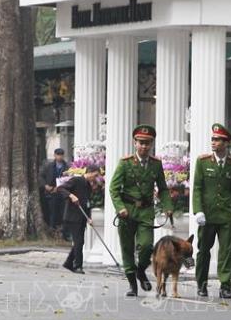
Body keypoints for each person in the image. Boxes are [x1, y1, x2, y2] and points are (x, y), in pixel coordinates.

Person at [109, 125, 173, 297]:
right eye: (141, 143)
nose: (144, 146)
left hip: (146, 211)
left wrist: (168, 206)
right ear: (135, 143)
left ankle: (141, 270)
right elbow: (113, 189)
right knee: (127, 248)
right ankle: (132, 285)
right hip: (127, 210)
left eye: (147, 143)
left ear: (152, 144)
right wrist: (120, 207)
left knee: (146, 246)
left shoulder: (156, 164)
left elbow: (163, 189)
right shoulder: (125, 163)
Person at [193, 123, 231, 299]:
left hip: (226, 214)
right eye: (213, 139)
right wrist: (198, 211)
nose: (214, 142)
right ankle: (202, 284)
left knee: (226, 251)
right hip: (207, 214)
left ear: (226, 143)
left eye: (218, 140)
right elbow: (197, 188)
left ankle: (225, 286)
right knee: (203, 250)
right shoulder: (203, 161)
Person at [57, 164, 101, 274]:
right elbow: (60, 188)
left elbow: (87, 203)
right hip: (73, 216)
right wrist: (71, 196)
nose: (95, 178)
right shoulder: (76, 180)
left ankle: (68, 263)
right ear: (89, 172)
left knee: (79, 242)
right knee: (79, 241)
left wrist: (89, 218)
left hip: (82, 217)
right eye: (95, 175)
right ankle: (78, 266)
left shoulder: (88, 186)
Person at [39, 148, 69, 236]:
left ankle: (62, 231)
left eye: (61, 155)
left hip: (62, 192)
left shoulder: (67, 167)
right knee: (52, 211)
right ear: (55, 155)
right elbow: (41, 176)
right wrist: (45, 186)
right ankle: (52, 229)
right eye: (58, 155)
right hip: (51, 192)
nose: (59, 157)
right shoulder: (48, 166)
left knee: (63, 211)